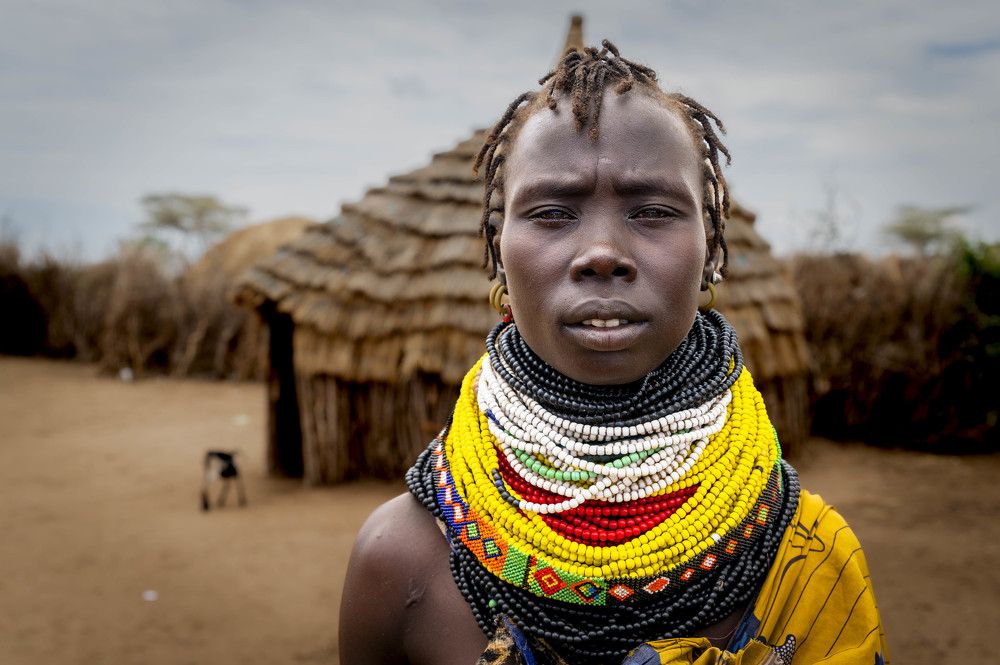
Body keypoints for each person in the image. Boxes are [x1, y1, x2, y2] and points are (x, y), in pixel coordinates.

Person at [340, 42, 888, 665]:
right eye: (552, 213)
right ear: (498, 250)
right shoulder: (399, 562)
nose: (602, 253)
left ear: (711, 247)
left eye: (653, 211)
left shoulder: (809, 557)